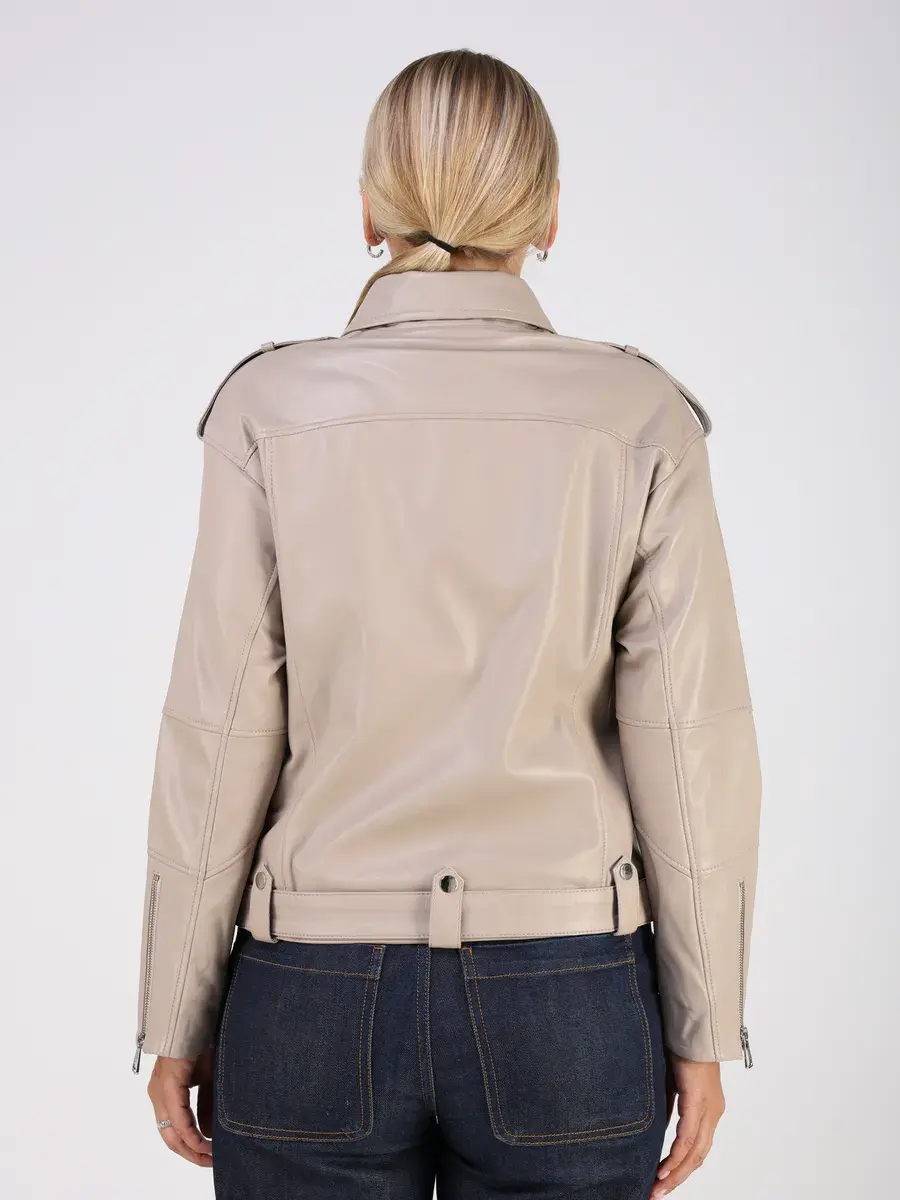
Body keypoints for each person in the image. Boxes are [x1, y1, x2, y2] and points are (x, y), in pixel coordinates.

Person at [134, 48, 761, 1200]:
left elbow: (218, 733)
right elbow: (688, 742)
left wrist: (174, 1011)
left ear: (370, 213)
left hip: (310, 991)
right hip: (569, 991)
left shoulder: (269, 409)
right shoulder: (638, 415)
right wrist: (707, 1020)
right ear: (549, 215)